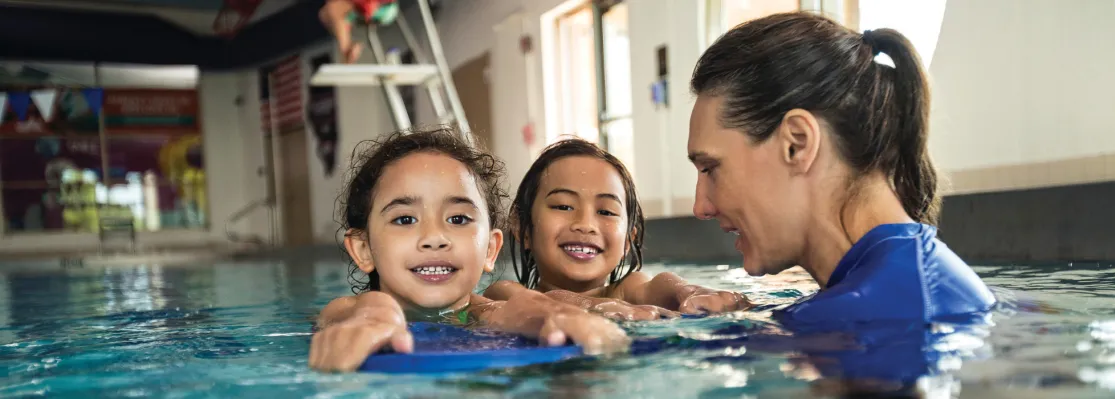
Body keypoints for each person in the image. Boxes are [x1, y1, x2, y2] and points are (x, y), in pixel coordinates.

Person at [686, 12, 995, 323]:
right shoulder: (904, 287)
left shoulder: (868, 317)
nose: (701, 207)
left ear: (797, 143)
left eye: (710, 168)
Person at [308, 127, 630, 372]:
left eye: (458, 218)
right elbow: (351, 314)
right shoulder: (350, 311)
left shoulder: (486, 311)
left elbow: (519, 310)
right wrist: (378, 312)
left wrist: (555, 316)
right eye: (405, 219)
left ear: (490, 249)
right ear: (363, 248)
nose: (434, 237)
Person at [485, 138, 752, 320]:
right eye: (563, 206)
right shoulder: (504, 293)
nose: (585, 225)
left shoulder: (628, 291)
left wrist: (691, 292)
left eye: (606, 212)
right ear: (522, 229)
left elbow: (660, 284)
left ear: (627, 240)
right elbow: (536, 303)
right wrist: (593, 306)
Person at [318, 0, 399, 64]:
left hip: (383, 6)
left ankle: (346, 50)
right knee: (325, 15)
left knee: (333, 9)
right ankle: (347, 50)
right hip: (367, 8)